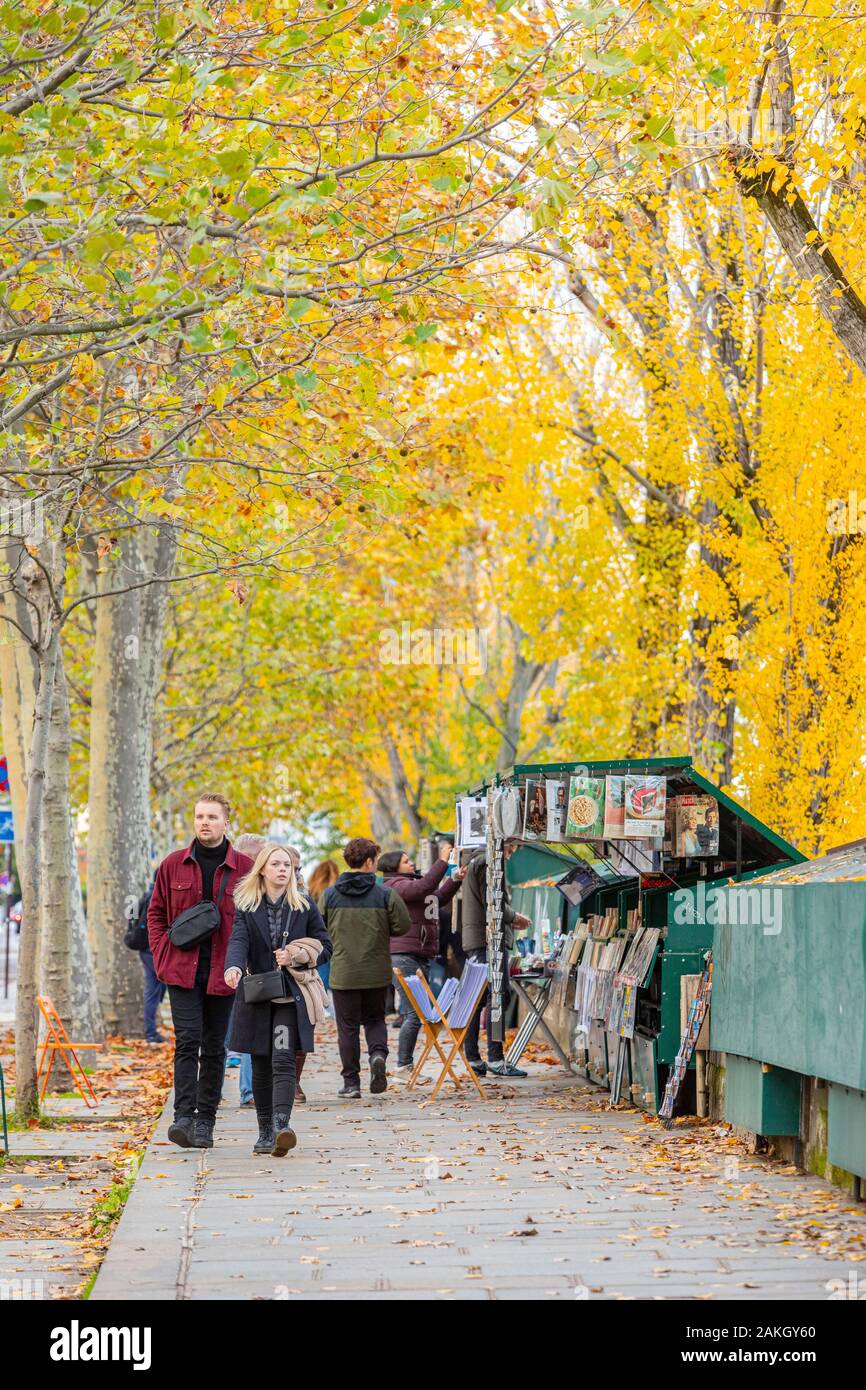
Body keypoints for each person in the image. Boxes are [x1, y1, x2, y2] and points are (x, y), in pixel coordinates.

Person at [148, 794, 254, 1149]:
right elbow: (156, 913)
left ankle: (206, 1120)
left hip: (225, 972)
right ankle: (182, 1117)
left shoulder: (245, 868)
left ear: (227, 822)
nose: (204, 822)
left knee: (213, 1048)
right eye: (199, 816)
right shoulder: (172, 865)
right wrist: (162, 953)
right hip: (181, 970)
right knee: (187, 1041)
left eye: (211, 817)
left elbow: (256, 917)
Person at [224, 843, 331, 1156]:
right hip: (257, 994)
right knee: (260, 1063)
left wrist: (296, 954)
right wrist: (233, 966)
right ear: (263, 869)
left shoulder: (303, 904)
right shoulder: (246, 904)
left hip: (289, 995)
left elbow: (325, 945)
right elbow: (238, 940)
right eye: (276, 864)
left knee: (283, 1058)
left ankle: (283, 1126)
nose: (283, 870)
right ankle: (265, 1131)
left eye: (288, 865)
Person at [321, 837, 411, 1099]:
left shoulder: (330, 895)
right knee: (374, 1020)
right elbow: (402, 926)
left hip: (343, 973)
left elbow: (320, 928)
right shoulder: (385, 894)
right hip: (376, 970)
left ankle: (351, 1083)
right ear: (370, 862)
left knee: (347, 1028)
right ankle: (378, 1055)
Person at [379, 842, 465, 1077]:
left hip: (419, 955)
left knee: (416, 1012)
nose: (411, 863)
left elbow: (435, 896)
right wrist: (443, 861)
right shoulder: (394, 885)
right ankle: (403, 1065)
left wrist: (455, 879)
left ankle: (404, 1064)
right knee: (413, 1012)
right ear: (393, 867)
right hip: (403, 956)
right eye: (406, 861)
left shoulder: (413, 885)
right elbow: (425, 887)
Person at [460, 838, 531, 1078]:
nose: (510, 855)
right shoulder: (485, 863)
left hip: (479, 938)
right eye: (511, 849)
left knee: (479, 998)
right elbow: (494, 902)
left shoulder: (476, 862)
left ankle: (473, 1056)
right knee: (497, 996)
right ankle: (495, 1057)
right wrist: (515, 917)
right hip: (487, 940)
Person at [228, 832, 267, 1107]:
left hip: (245, 968)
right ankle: (249, 1093)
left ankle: (247, 1092)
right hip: (234, 967)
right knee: (230, 1031)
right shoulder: (245, 888)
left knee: (243, 1031)